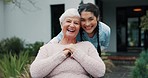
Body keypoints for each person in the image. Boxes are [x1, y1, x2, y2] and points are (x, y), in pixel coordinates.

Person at [30, 8, 105, 78]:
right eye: (68, 21)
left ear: (79, 28)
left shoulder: (87, 46)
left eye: (76, 23)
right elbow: (35, 73)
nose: (72, 25)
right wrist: (61, 55)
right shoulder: (47, 48)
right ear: (62, 25)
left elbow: (100, 72)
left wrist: (77, 53)